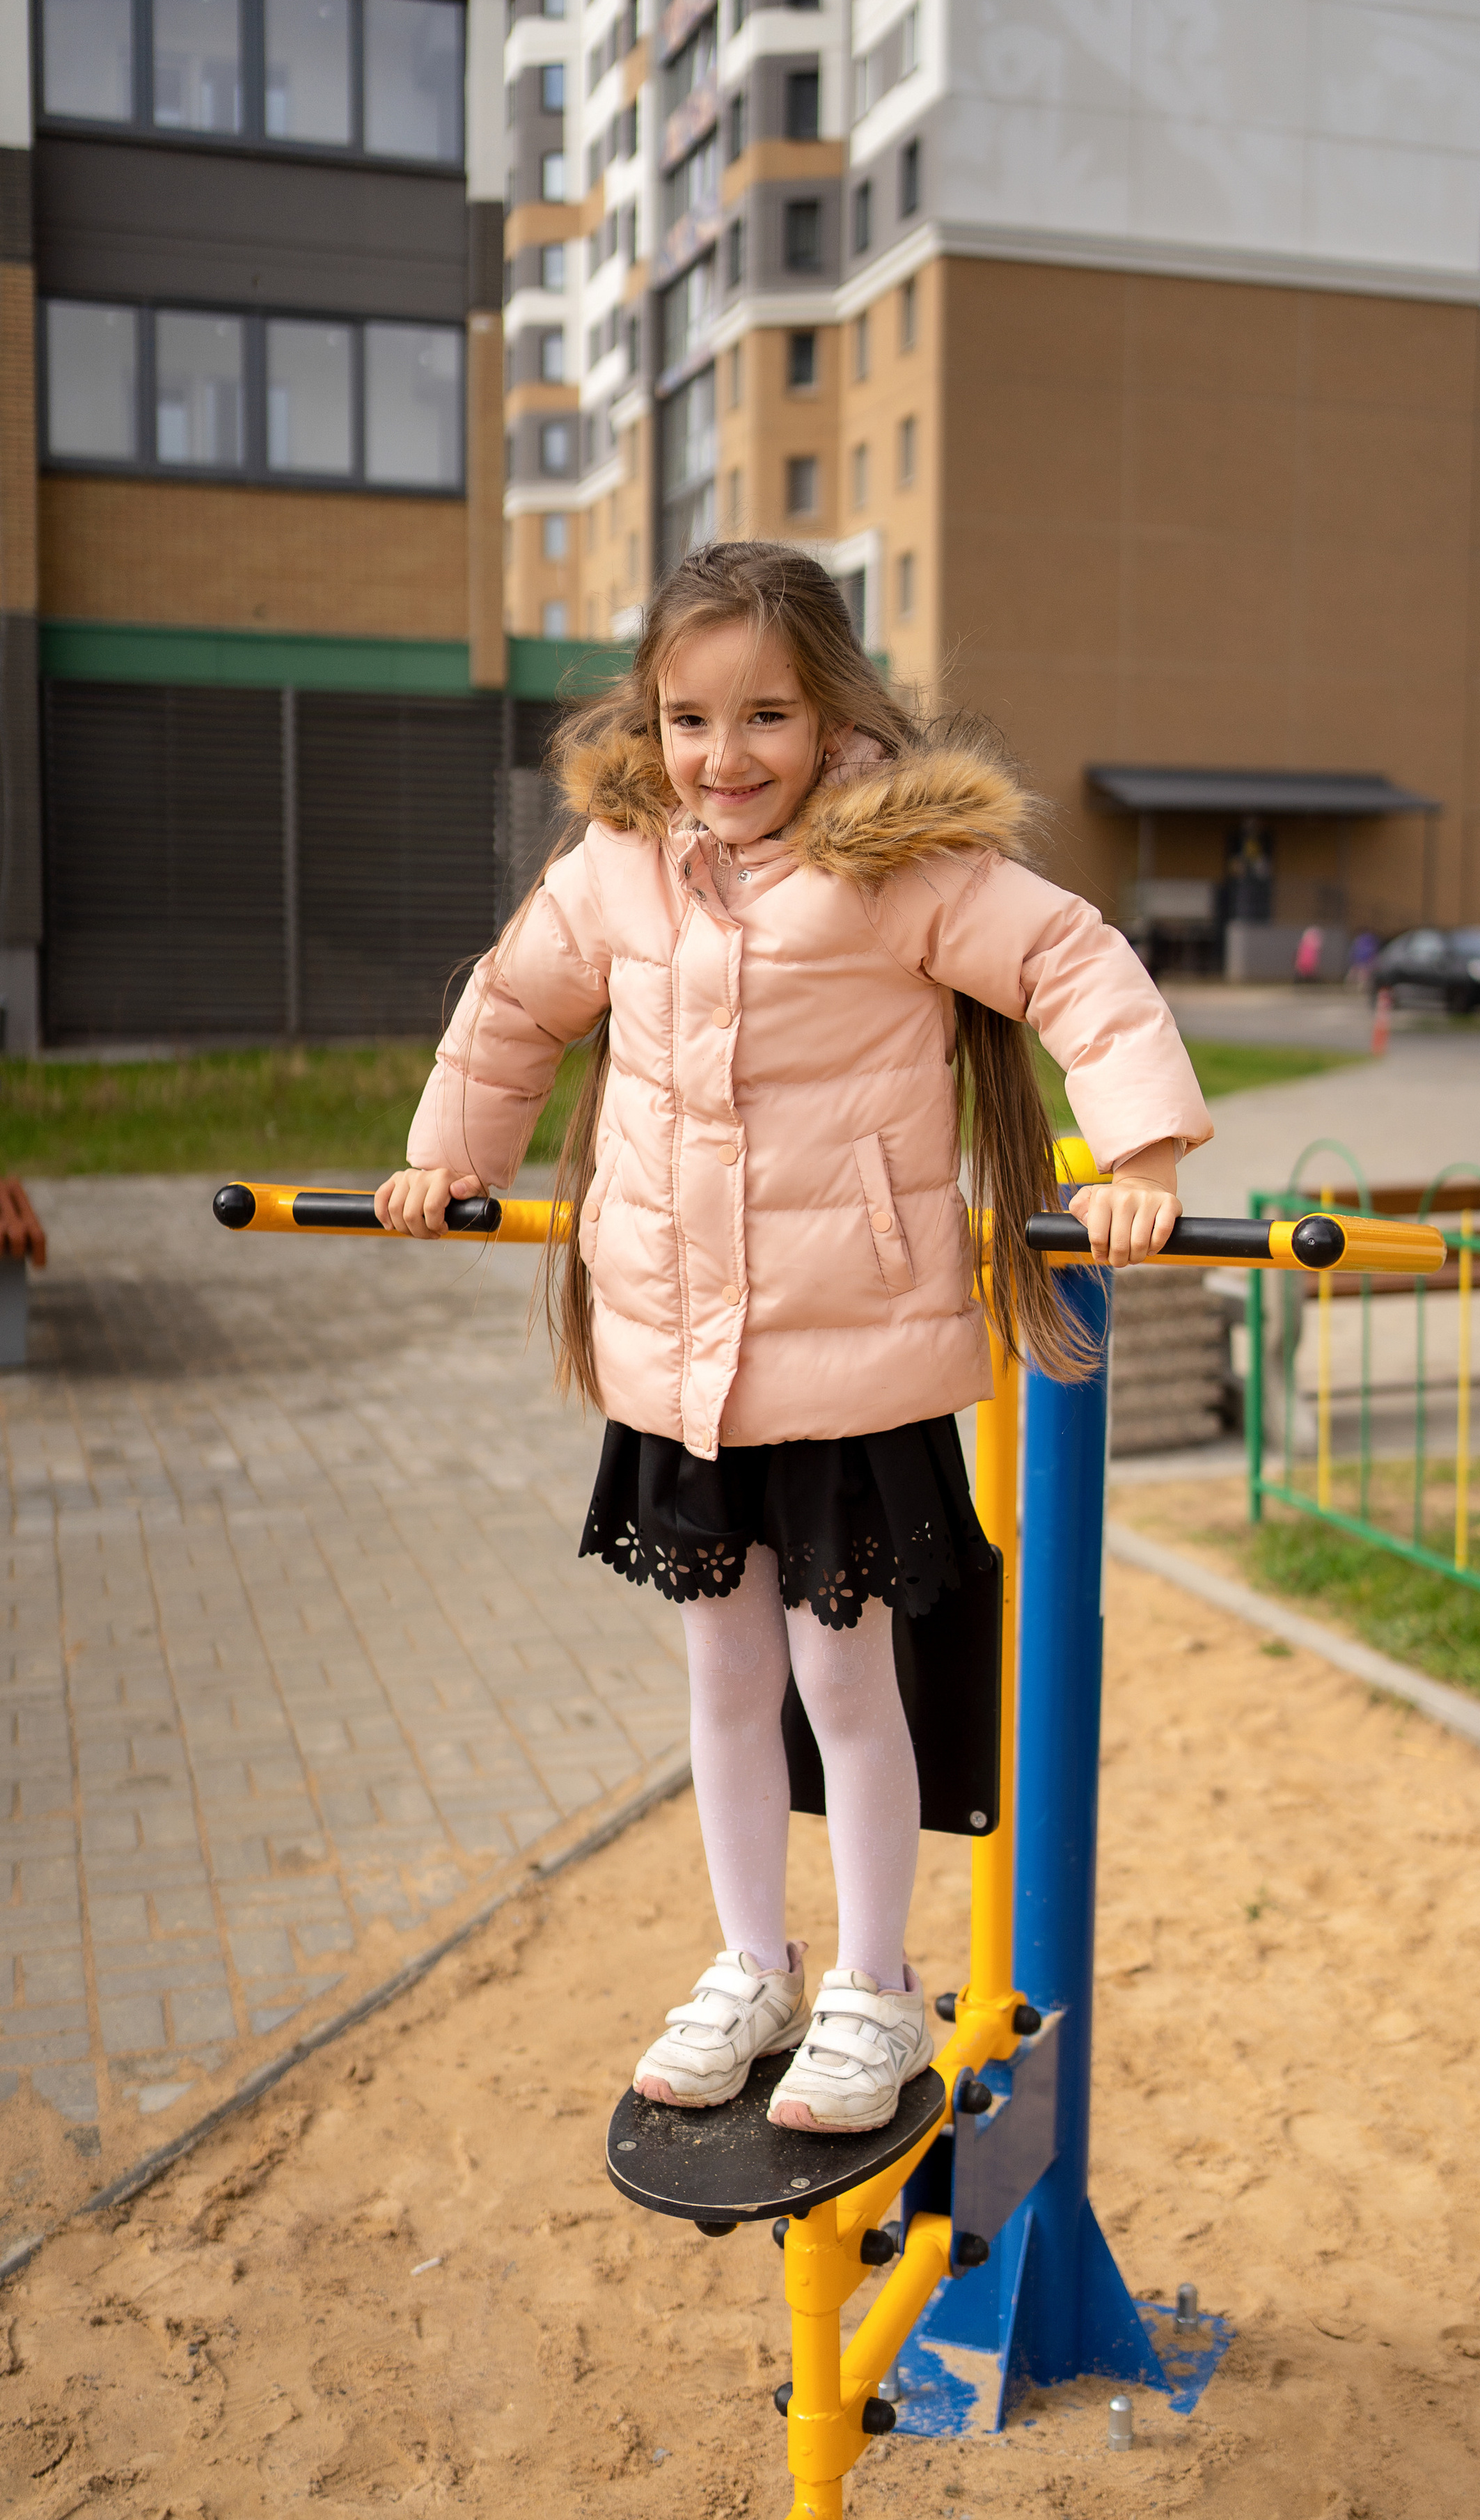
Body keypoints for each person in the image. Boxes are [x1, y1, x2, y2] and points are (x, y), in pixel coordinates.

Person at [375, 544, 1210, 2134]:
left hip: (849, 1364)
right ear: (652, 718)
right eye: (691, 718)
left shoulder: (899, 864)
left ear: (834, 717)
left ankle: (873, 1990)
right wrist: (452, 1159)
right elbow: (512, 1006)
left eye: (767, 714)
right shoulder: (614, 864)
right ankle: (752, 1959)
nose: (724, 755)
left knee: (846, 1689)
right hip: (678, 1366)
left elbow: (1068, 961)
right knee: (723, 1677)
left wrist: (1142, 1154)